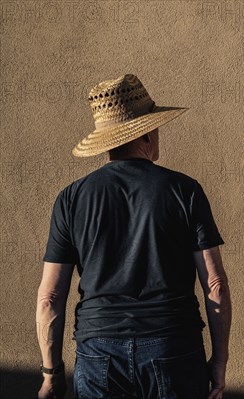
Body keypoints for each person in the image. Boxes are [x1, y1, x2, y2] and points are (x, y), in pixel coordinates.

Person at [36, 74, 232, 399]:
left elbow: (50, 299)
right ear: (147, 133)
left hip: (98, 351)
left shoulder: (71, 199)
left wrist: (51, 373)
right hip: (173, 345)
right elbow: (216, 285)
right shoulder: (184, 191)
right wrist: (220, 362)